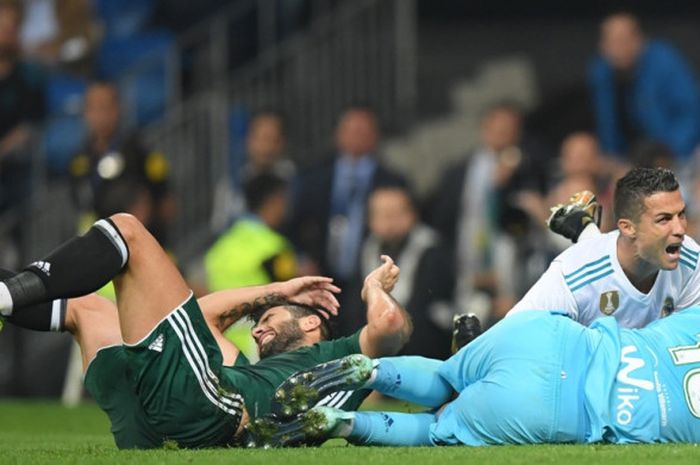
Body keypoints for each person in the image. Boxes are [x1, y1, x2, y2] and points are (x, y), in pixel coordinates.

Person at [0, 213, 411, 448]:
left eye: (268, 319)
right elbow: (200, 317)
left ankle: (7, 294)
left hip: (214, 412)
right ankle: (6, 292)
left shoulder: (337, 358)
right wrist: (275, 291)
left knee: (128, 231)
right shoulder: (251, 371)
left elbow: (391, 325)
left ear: (310, 321)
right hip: (160, 420)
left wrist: (373, 288)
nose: (256, 331)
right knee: (88, 309)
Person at [253, 303, 700, 447]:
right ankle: (345, 423)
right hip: (562, 409)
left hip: (548, 336)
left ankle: (369, 371)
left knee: (448, 375)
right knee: (434, 430)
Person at [511, 167, 700, 327]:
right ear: (627, 227)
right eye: (664, 219)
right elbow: (514, 331)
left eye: (681, 214)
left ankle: (583, 226)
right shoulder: (574, 272)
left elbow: (688, 342)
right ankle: (583, 227)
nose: (681, 229)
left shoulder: (690, 260)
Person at [426, 102, 549, 324]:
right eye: (496, 128)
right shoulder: (458, 170)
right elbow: (442, 220)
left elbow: (525, 224)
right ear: (484, 129)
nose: (501, 134)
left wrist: (507, 184)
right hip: (463, 265)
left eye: (508, 129)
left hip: (509, 271)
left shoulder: (528, 170)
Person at [290, 106, 406, 282]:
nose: (357, 137)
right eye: (352, 130)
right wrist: (301, 258)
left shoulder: (392, 182)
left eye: (363, 131)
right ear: (338, 133)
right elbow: (293, 223)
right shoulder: (313, 178)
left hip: (369, 274)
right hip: (319, 274)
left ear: (376, 135)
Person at [341, 184, 454, 359]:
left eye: (396, 214)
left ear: (412, 214)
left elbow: (429, 306)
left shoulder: (432, 249)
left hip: (420, 347)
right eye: (382, 215)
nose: (390, 222)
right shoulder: (367, 249)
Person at [68, 81, 175, 242]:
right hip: (102, 245)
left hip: (142, 243)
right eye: (93, 108)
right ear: (85, 113)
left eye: (105, 107)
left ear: (117, 109)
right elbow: (81, 205)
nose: (99, 115)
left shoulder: (138, 150)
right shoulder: (79, 161)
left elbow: (167, 203)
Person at [589, 13, 700, 162]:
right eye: (611, 41)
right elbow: (607, 124)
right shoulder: (601, 73)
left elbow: (690, 113)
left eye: (623, 40)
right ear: (602, 46)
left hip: (673, 153)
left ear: (639, 40)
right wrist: (613, 158)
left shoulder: (664, 63)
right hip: (629, 158)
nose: (618, 48)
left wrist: (670, 152)